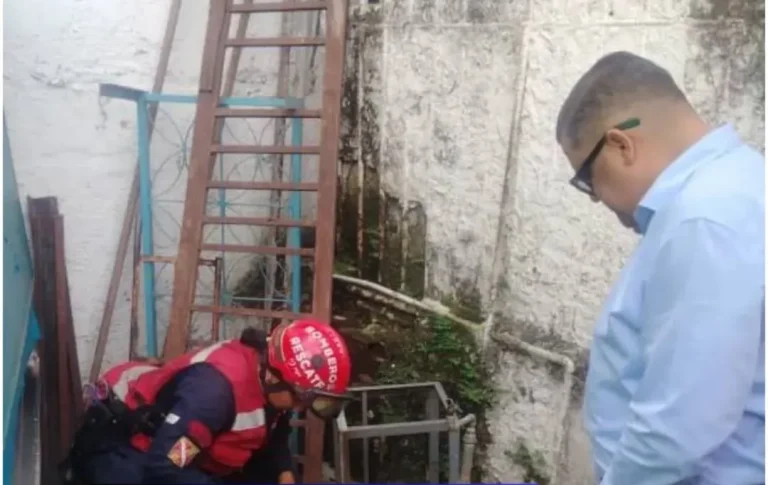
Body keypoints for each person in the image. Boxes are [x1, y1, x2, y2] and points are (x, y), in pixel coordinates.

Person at [556, 51, 765, 485]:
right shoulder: (742, 183)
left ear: (621, 144)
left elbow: (680, 424)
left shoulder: (704, 218)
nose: (595, 198)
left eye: (587, 179)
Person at [64, 319, 353, 484]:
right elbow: (168, 466)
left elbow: (274, 436)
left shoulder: (274, 388)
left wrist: (285, 474)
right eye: (300, 399)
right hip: (129, 446)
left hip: (190, 450)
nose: (300, 408)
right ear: (275, 375)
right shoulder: (213, 397)